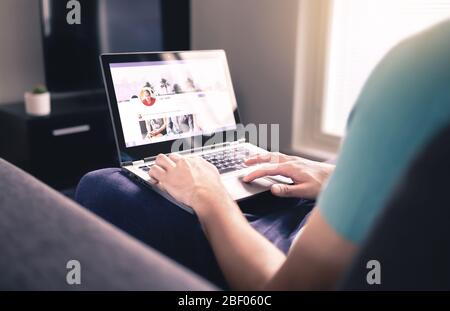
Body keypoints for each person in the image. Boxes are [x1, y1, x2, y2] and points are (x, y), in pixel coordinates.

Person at [76, 20, 450, 290]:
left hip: (293, 260)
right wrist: (333, 179)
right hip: (347, 228)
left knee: (101, 185)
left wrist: (208, 193)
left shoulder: (425, 67)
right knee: (304, 167)